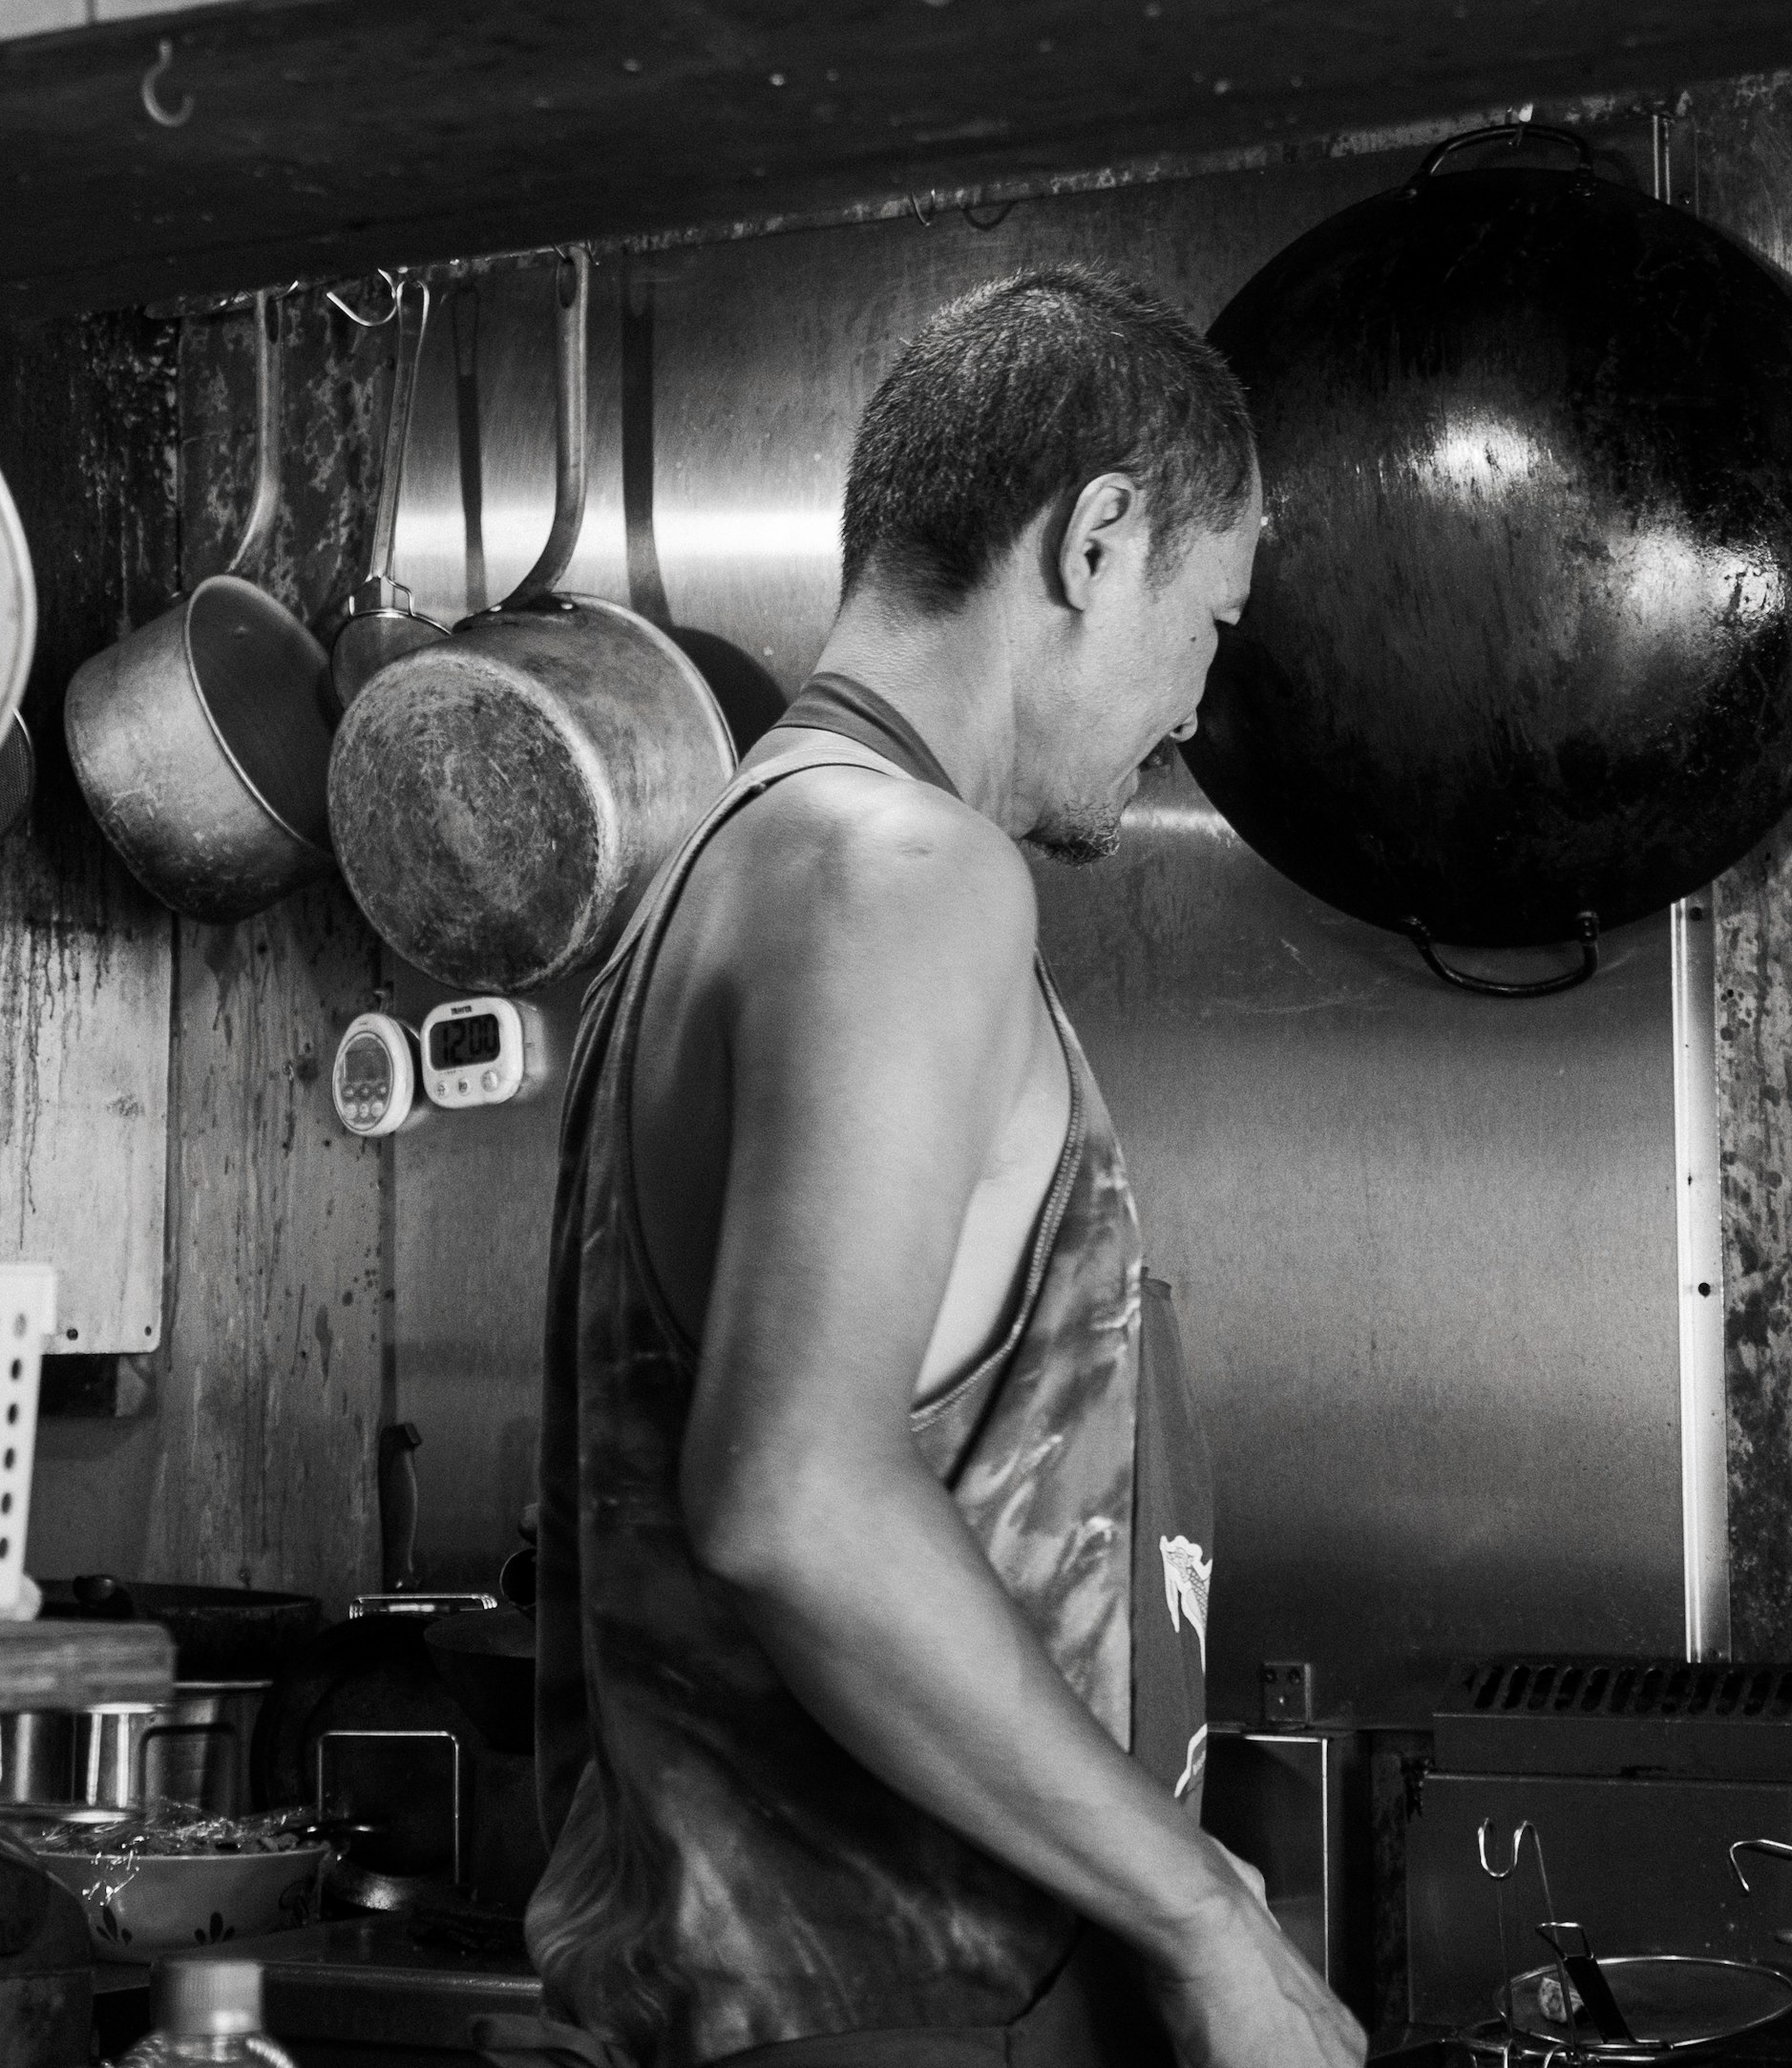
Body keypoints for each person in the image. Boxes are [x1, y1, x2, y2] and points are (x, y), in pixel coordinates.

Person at [528, 266, 1366, 2068]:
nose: (1195, 705)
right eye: (1209, 621)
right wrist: (1200, 1913)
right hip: (900, 2023)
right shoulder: (906, 876)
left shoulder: (713, 878)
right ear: (1097, 541)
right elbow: (794, 1497)